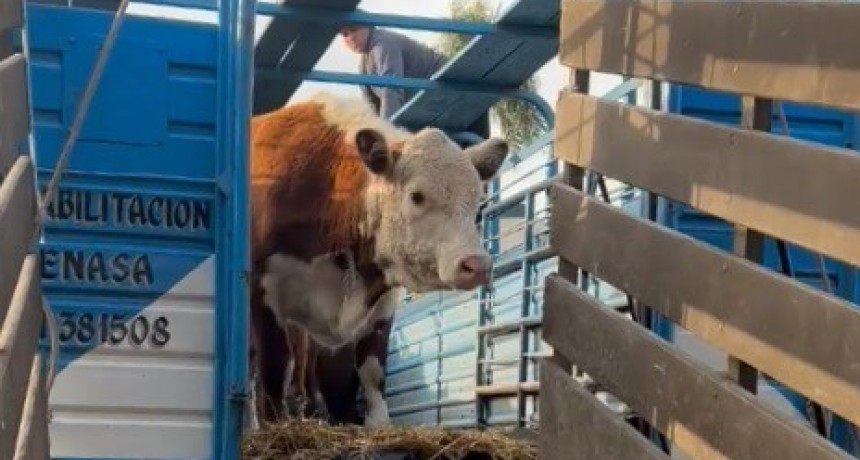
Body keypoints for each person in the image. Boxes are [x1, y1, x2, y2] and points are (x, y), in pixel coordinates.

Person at [339, 25, 491, 142]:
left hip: (457, 93)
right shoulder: (363, 67)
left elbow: (391, 88)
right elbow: (370, 108)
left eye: (354, 30)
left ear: (368, 26)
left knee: (480, 157)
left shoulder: (383, 43)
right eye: (345, 34)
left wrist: (385, 135)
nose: (350, 38)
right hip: (432, 108)